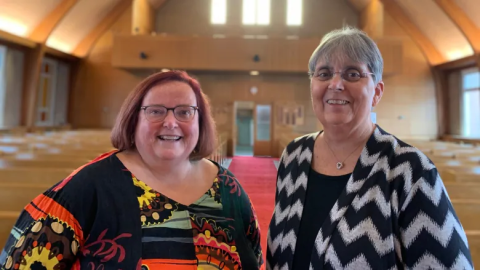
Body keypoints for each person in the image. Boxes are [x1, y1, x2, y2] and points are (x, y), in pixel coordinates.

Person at [0, 70, 263, 269]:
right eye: (156, 111)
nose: (171, 122)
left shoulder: (227, 187)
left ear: (200, 122)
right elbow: (20, 261)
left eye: (185, 112)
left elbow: (254, 255)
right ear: (133, 119)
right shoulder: (88, 187)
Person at [267, 27, 473, 270]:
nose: (335, 84)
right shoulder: (294, 155)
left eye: (352, 74)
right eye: (323, 73)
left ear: (376, 92)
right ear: (312, 85)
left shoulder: (411, 171)